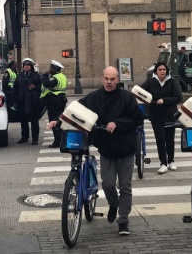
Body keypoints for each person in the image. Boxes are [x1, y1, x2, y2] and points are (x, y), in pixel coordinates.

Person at [48, 66, 143, 235]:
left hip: (126, 148)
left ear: (118, 80)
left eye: (112, 79)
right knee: (107, 184)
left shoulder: (127, 97)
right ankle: (113, 204)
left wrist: (117, 123)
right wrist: (57, 120)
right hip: (106, 148)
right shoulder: (95, 97)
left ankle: (123, 221)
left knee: (125, 186)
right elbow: (74, 110)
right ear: (102, 79)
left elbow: (137, 119)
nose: (109, 82)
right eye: (106, 78)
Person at [140, 61, 182, 174]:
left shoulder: (172, 82)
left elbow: (178, 97)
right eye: (160, 69)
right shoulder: (150, 82)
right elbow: (140, 91)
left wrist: (165, 100)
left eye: (164, 69)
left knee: (169, 139)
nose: (162, 71)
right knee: (160, 139)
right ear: (156, 71)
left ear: (166, 71)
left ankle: (171, 161)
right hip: (156, 115)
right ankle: (163, 163)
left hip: (170, 115)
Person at [13, 58, 42, 145]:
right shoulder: (20, 76)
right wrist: (15, 99)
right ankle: (24, 137)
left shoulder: (36, 75)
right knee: (23, 120)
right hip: (22, 101)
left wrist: (35, 87)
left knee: (34, 121)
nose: (26, 67)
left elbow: (41, 87)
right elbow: (15, 88)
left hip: (32, 101)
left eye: (28, 65)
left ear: (31, 66)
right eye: (25, 65)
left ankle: (35, 139)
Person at [40, 60, 68, 148]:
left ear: (55, 69)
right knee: (60, 121)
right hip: (61, 100)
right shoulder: (62, 76)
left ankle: (57, 142)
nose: (50, 69)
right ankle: (62, 140)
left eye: (51, 68)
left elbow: (47, 84)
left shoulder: (55, 77)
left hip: (54, 101)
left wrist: (44, 75)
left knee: (54, 121)